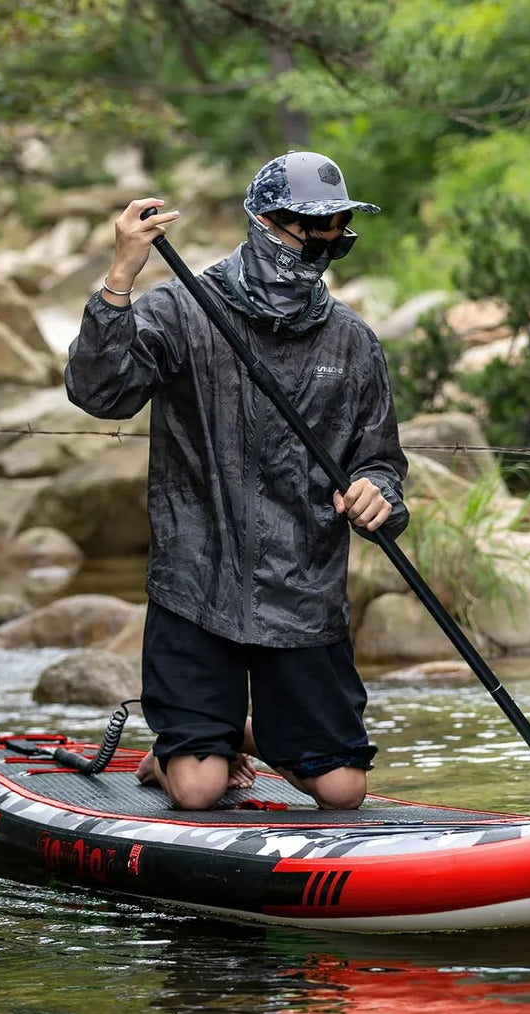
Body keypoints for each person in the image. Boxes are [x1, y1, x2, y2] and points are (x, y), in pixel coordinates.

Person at [65, 151, 409, 812]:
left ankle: (235, 738)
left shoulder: (353, 344)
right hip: (198, 585)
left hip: (302, 594)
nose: (322, 241)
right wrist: (120, 276)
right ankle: (184, 756)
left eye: (334, 228)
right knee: (198, 789)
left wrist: (378, 494)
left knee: (343, 790)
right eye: (307, 225)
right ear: (260, 219)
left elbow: (382, 465)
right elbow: (99, 393)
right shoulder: (181, 310)